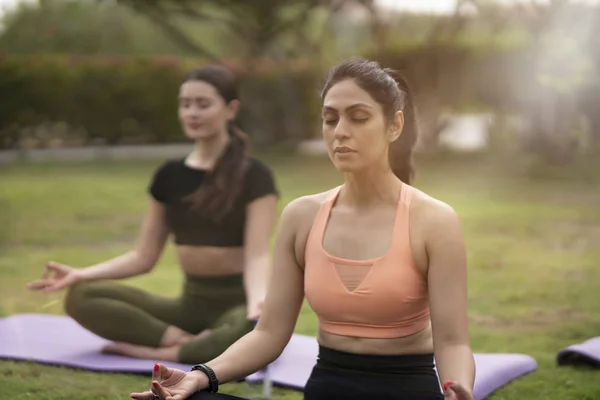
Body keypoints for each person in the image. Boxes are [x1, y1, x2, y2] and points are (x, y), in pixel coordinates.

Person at [130, 57, 475, 400]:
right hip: (328, 386)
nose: (340, 131)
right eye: (330, 119)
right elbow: (268, 334)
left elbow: (453, 341)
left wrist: (458, 391)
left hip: (405, 388)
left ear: (394, 126)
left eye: (358, 117)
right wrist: (200, 376)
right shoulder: (302, 216)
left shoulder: (433, 220)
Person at [26, 64, 279, 365]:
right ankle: (180, 341)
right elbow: (143, 257)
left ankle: (157, 353)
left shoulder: (255, 176)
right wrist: (81, 274)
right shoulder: (169, 175)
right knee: (81, 296)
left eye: (203, 104)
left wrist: (257, 304)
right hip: (189, 305)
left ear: (230, 109)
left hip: (237, 304)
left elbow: (257, 256)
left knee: (253, 330)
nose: (192, 113)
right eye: (185, 104)